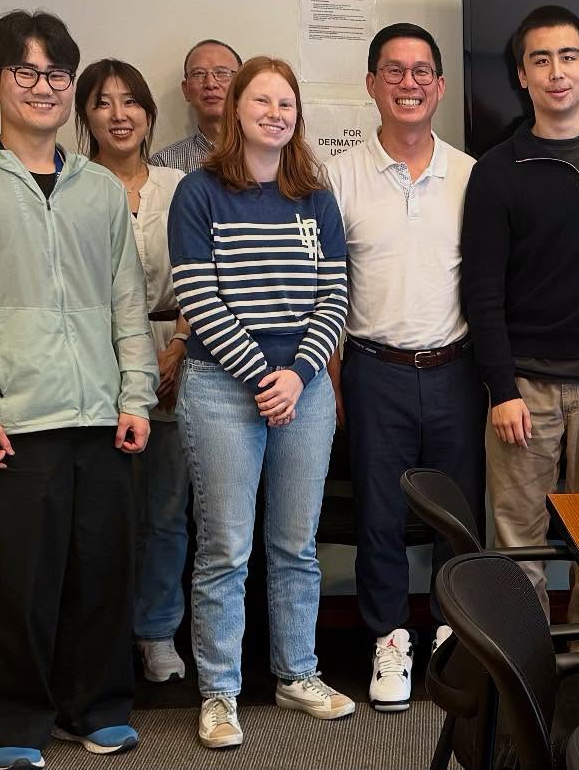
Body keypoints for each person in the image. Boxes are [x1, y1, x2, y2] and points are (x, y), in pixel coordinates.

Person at [0, 11, 157, 770]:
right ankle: (18, 719)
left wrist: (136, 395)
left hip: (102, 415)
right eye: (26, 72)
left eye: (56, 74)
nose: (43, 87)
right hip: (11, 421)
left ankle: (99, 707)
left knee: (102, 573)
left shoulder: (96, 189)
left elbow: (128, 304)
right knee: (16, 582)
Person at [168, 56, 353, 748]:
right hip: (222, 387)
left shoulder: (316, 196)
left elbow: (334, 296)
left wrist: (300, 375)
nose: (276, 113)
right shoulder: (200, 193)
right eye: (263, 101)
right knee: (225, 547)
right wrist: (260, 376)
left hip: (302, 390)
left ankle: (296, 672)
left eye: (287, 103)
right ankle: (219, 692)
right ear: (236, 111)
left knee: (296, 544)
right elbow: (199, 299)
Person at [461, 5, 579, 625]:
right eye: (540, 60)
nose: (556, 72)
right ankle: (527, 665)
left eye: (568, 57)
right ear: (522, 76)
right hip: (526, 387)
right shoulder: (495, 171)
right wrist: (501, 389)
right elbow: (481, 292)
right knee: (519, 541)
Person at [323, 23, 484, 713]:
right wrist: (331, 381)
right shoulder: (338, 176)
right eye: (394, 71)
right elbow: (326, 284)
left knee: (458, 516)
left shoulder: (472, 175)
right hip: (371, 367)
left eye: (422, 71)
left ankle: (453, 633)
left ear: (440, 86)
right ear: (372, 85)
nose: (410, 83)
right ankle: (389, 639)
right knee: (380, 517)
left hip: (455, 366)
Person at [74, 58, 191, 684]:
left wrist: (175, 349)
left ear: (149, 114)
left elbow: (207, 277)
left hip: (176, 347)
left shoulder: (180, 187)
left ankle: (156, 632)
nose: (119, 115)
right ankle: (101, 634)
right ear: (84, 115)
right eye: (102, 102)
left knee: (166, 511)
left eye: (131, 103)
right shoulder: (68, 185)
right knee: (99, 509)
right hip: (91, 360)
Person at [151, 38, 242, 172]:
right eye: (198, 74)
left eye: (222, 73)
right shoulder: (164, 164)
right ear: (186, 89)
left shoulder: (268, 153)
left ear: (242, 85)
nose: (210, 84)